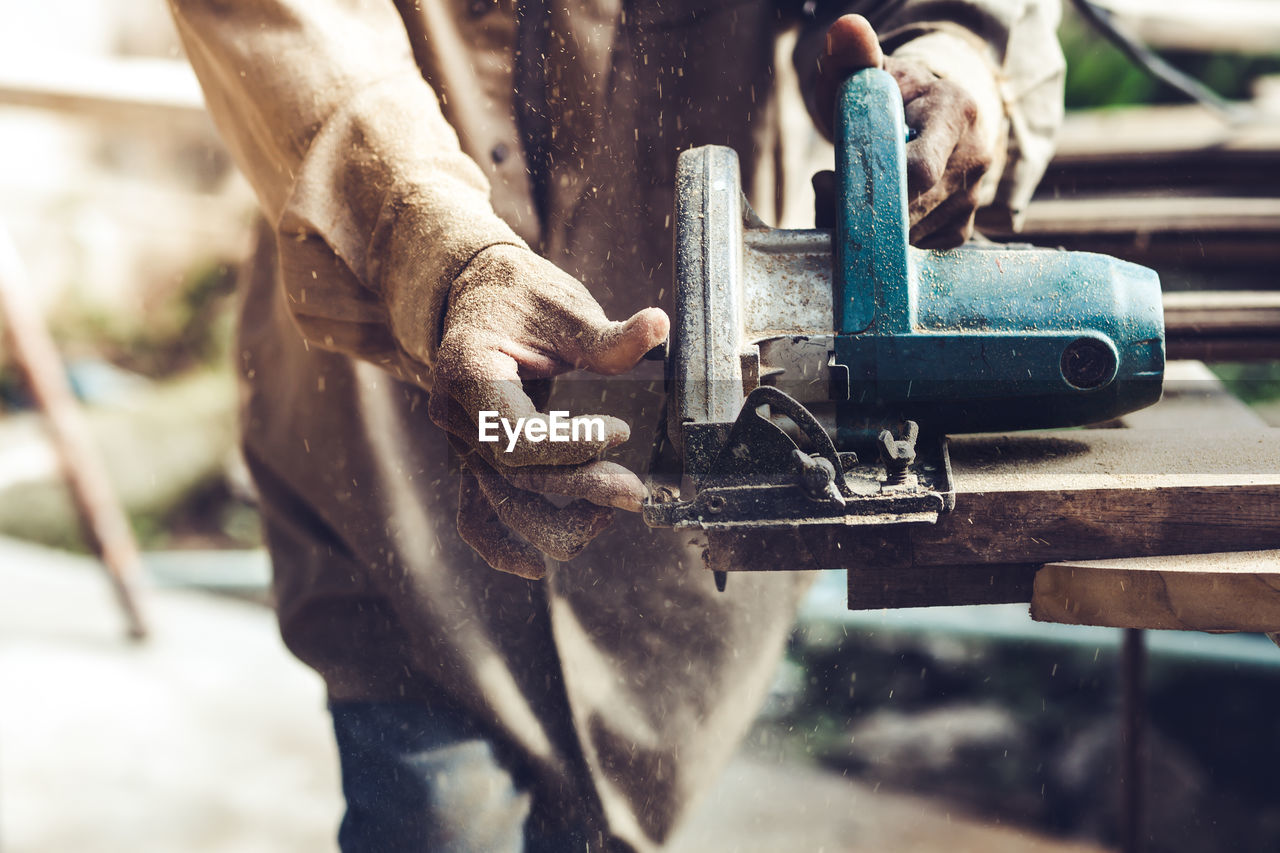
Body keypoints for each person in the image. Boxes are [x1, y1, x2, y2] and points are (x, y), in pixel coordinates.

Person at [167, 1, 1064, 849]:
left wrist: (948, 54)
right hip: (389, 460)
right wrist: (433, 248)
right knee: (429, 809)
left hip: (680, 482)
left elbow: (907, 23)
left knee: (609, 827)